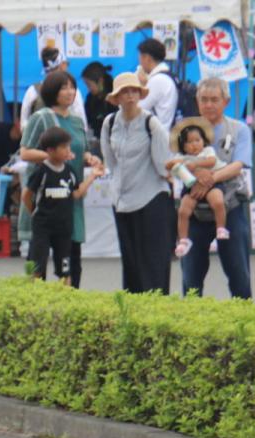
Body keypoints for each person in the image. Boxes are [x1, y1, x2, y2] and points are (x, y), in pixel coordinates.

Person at [19, 70, 101, 288]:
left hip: (69, 192)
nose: (69, 92)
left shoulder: (76, 121)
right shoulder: (41, 117)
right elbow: (25, 153)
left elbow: (80, 151)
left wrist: (89, 158)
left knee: (71, 254)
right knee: (39, 257)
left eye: (72, 87)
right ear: (52, 91)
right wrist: (52, 156)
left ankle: (70, 302)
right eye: (64, 87)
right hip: (46, 195)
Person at [178, 77, 254, 298]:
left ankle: (243, 321)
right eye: (204, 100)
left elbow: (238, 165)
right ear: (197, 101)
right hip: (195, 207)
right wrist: (196, 177)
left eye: (214, 99)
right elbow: (175, 162)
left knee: (239, 273)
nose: (208, 105)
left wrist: (209, 178)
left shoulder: (239, 130)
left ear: (226, 101)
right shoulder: (185, 129)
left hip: (230, 205)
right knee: (190, 278)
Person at [100, 70, 173, 294]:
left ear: (140, 95)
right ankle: (132, 312)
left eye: (134, 91)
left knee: (153, 261)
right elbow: (110, 161)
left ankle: (155, 313)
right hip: (122, 200)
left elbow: (162, 165)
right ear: (116, 98)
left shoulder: (152, 124)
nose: (130, 96)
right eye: (124, 92)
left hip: (151, 198)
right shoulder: (110, 122)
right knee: (130, 262)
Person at [24, 127, 102, 282]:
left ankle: (63, 300)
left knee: (65, 270)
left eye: (69, 146)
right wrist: (33, 213)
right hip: (43, 227)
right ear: (50, 150)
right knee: (38, 266)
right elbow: (26, 195)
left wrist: (92, 177)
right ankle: (32, 299)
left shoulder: (69, 171)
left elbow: (76, 193)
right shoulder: (42, 171)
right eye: (64, 147)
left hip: (64, 227)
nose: (68, 150)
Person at [169, 119, 228, 258]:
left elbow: (211, 162)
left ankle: (221, 227)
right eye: (189, 142)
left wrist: (194, 164)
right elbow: (172, 167)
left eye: (197, 140)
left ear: (203, 140)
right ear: (183, 145)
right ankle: (183, 240)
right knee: (183, 211)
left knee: (218, 202)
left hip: (211, 183)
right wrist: (178, 164)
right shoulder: (181, 157)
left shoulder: (208, 151)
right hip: (191, 186)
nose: (194, 144)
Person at [20, 47, 87, 128]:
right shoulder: (72, 90)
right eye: (66, 65)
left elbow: (23, 124)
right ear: (62, 66)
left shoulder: (32, 90)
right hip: (66, 138)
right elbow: (81, 122)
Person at [137, 38, 178, 130]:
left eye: (140, 58)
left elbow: (138, 109)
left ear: (147, 58)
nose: (140, 63)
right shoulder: (168, 75)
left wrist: (141, 85)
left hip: (159, 136)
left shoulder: (158, 80)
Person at [80, 61, 115, 139]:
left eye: (89, 85)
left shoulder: (114, 97)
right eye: (86, 85)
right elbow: (87, 121)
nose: (88, 89)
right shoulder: (90, 98)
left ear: (100, 81)